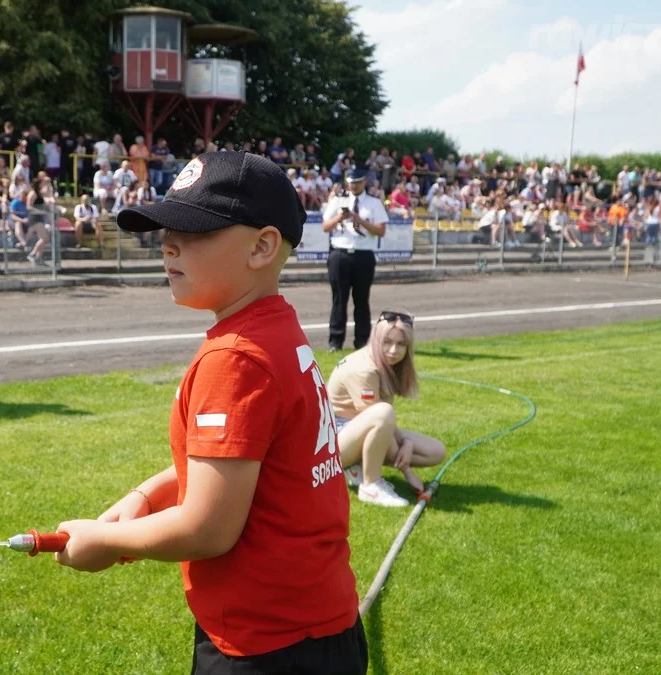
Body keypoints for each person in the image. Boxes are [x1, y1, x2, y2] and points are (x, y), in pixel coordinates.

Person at [54, 152, 366, 674]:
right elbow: (234, 468)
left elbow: (208, 528)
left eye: (194, 231)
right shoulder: (276, 329)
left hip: (266, 644)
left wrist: (103, 541)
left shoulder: (235, 358)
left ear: (262, 246)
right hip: (319, 625)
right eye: (165, 229)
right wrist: (145, 497)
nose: (168, 244)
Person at [326, 311, 446, 505]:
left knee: (436, 451)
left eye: (401, 344)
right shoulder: (364, 369)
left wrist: (406, 443)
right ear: (376, 339)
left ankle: (357, 465)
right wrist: (407, 470)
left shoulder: (385, 363)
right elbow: (379, 420)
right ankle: (371, 485)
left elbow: (379, 425)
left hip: (353, 430)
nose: (393, 350)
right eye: (387, 342)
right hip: (328, 446)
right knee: (384, 412)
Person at [322, 167, 387, 351]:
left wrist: (360, 219)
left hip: (363, 255)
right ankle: (335, 341)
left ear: (364, 182)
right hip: (340, 253)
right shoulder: (338, 200)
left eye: (357, 182)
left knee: (361, 300)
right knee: (338, 300)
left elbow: (381, 230)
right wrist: (339, 218)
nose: (354, 186)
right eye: (351, 182)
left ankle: (362, 342)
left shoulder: (374, 203)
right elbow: (325, 227)